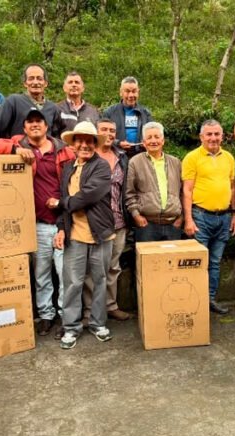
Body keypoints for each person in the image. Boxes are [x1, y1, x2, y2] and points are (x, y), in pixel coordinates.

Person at [0, 109, 76, 336]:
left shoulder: (63, 150)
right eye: (29, 122)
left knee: (65, 274)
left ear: (46, 126)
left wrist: (64, 221)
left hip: (62, 222)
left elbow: (73, 186)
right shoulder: (18, 144)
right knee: (41, 274)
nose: (34, 125)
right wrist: (14, 149)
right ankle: (45, 315)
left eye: (39, 121)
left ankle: (65, 316)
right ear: (24, 127)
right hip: (37, 223)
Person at [47, 122, 115, 350]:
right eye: (80, 140)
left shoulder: (102, 167)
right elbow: (65, 203)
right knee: (73, 283)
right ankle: (71, 327)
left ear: (95, 144)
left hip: (100, 234)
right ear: (73, 144)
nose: (84, 145)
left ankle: (97, 324)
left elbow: (88, 195)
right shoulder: (68, 168)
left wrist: (60, 203)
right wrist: (61, 227)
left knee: (99, 280)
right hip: (74, 235)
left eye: (89, 141)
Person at [182, 119, 235, 315]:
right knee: (199, 261)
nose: (213, 138)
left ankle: (210, 300)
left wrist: (234, 214)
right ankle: (194, 301)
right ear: (201, 137)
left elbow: (232, 188)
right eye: (209, 134)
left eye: (217, 134)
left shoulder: (229, 157)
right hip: (201, 217)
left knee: (214, 262)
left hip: (223, 218)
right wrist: (188, 219)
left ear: (222, 136)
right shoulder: (192, 158)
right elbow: (187, 190)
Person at [83, 118, 133, 323]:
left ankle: (110, 305)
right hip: (93, 222)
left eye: (112, 131)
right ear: (96, 132)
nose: (109, 134)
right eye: (104, 130)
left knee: (113, 266)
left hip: (118, 221)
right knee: (91, 269)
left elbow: (125, 189)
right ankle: (89, 310)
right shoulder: (88, 156)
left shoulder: (122, 157)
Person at [125, 122, 184, 242]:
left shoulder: (176, 162)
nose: (153, 141)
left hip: (173, 224)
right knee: (147, 260)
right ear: (144, 142)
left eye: (157, 137)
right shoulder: (135, 162)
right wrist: (136, 215)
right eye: (149, 137)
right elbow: (129, 192)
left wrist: (181, 218)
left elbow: (183, 191)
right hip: (147, 224)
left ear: (163, 141)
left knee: (171, 260)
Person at [0, 64, 59, 139]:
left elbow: (56, 137)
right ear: (25, 83)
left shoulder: (53, 108)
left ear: (45, 83)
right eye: (31, 78)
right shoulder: (14, 101)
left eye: (39, 79)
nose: (35, 82)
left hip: (45, 150)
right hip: (18, 149)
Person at [103, 77, 154, 158]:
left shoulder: (146, 113)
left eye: (134, 91)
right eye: (127, 91)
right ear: (121, 92)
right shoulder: (109, 112)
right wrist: (118, 143)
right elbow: (102, 135)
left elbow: (152, 133)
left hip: (140, 155)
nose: (131, 95)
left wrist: (146, 142)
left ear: (138, 92)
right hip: (116, 154)